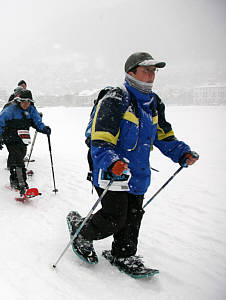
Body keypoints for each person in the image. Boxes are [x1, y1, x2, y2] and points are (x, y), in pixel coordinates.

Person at [67, 52, 199, 274]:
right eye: (146, 70)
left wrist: (181, 153)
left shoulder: (154, 103)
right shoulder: (115, 98)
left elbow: (164, 135)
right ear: (131, 72)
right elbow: (99, 137)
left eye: (154, 71)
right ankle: (82, 232)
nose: (151, 75)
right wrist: (111, 162)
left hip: (137, 171)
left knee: (133, 215)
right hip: (111, 168)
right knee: (114, 217)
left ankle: (123, 254)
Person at [0, 89, 51, 195]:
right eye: (23, 102)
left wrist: (44, 129)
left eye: (28, 102)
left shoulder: (31, 110)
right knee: (18, 159)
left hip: (23, 137)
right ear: (19, 101)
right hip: (10, 137)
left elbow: (37, 122)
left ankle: (13, 179)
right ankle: (22, 184)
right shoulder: (10, 110)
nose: (25, 104)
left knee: (20, 156)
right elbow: (0, 123)